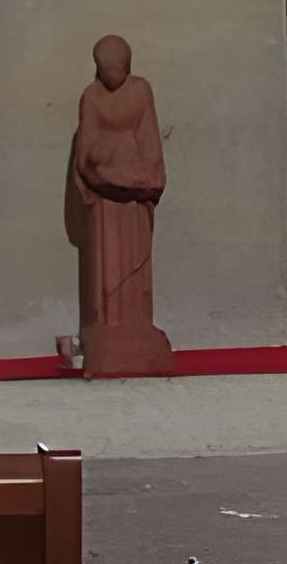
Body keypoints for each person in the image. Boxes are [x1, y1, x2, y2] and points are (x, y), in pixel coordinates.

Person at [70, 33, 175, 376]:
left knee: (135, 260)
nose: (112, 72)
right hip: (105, 198)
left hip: (134, 191)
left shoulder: (141, 91)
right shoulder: (91, 97)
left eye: (118, 66)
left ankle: (137, 325)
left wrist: (146, 180)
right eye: (106, 66)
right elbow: (87, 151)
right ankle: (106, 327)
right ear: (98, 67)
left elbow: (149, 139)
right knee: (107, 259)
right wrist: (103, 170)